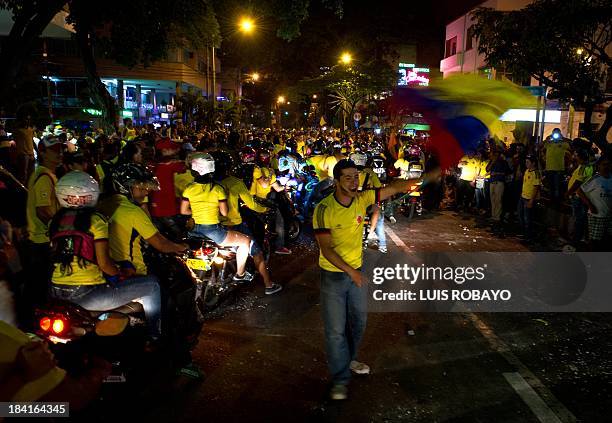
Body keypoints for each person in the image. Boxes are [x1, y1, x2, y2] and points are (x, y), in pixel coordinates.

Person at [313, 158, 437, 400]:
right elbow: (327, 249)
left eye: (356, 177)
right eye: (347, 177)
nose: (353, 181)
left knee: (358, 321)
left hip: (355, 273)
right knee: (335, 331)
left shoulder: (363, 199)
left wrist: (424, 178)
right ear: (337, 181)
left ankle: (348, 359)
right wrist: (352, 272)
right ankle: (340, 379)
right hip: (334, 277)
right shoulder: (324, 209)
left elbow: (394, 188)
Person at [49, 171, 163, 343]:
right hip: (87, 294)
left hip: (57, 291)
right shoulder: (96, 221)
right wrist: (119, 274)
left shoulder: (55, 222)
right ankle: (155, 335)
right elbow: (104, 264)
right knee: (152, 285)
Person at [212, 151, 282, 295]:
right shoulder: (235, 183)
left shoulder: (207, 183)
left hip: (213, 226)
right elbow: (252, 205)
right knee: (257, 252)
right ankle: (268, 285)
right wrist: (265, 209)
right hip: (234, 225)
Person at [181, 153, 254, 282]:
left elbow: (183, 210)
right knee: (245, 241)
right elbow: (224, 213)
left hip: (193, 231)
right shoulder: (217, 189)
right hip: (213, 231)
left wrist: (198, 212)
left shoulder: (189, 188)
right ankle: (240, 274)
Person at [23, 136, 63, 321]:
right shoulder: (44, 177)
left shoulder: (46, 174)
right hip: (41, 242)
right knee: (40, 287)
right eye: (54, 150)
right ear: (43, 153)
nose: (59, 153)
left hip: (40, 241)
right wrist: (62, 227)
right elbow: (43, 211)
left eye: (60, 149)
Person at [577, 156, 612, 251]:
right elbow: (580, 191)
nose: (607, 167)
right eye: (604, 164)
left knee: (607, 238)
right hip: (597, 215)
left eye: (609, 164)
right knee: (595, 240)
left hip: (609, 215)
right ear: (599, 166)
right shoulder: (595, 179)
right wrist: (590, 205)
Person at [566, 149, 593, 246]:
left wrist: (568, 193)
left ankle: (576, 239)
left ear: (580, 157)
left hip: (578, 197)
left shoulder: (583, 168)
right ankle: (580, 238)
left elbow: (578, 182)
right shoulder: (585, 166)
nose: (574, 157)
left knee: (578, 219)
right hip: (580, 196)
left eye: (576, 155)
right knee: (580, 218)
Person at [517, 154, 541, 243]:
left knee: (528, 218)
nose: (526, 163)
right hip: (523, 197)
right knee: (521, 216)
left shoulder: (536, 173)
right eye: (526, 162)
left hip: (529, 199)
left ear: (533, 163)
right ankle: (524, 234)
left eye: (528, 162)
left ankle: (528, 237)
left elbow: (536, 187)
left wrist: (531, 200)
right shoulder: (527, 171)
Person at [542, 128, 570, 203]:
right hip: (549, 168)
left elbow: (571, 145)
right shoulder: (548, 143)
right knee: (550, 186)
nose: (556, 135)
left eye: (557, 133)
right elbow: (541, 145)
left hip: (559, 169)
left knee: (558, 186)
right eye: (554, 133)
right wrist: (548, 137)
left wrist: (563, 138)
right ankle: (551, 201)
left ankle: (557, 201)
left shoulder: (564, 143)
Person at [13, 112, 36, 184]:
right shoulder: (18, 130)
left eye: (29, 119)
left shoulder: (30, 129)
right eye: (26, 119)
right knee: (23, 174)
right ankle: (22, 189)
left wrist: (37, 151)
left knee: (31, 174)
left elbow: (31, 140)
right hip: (23, 154)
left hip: (31, 154)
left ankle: (29, 188)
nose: (28, 121)